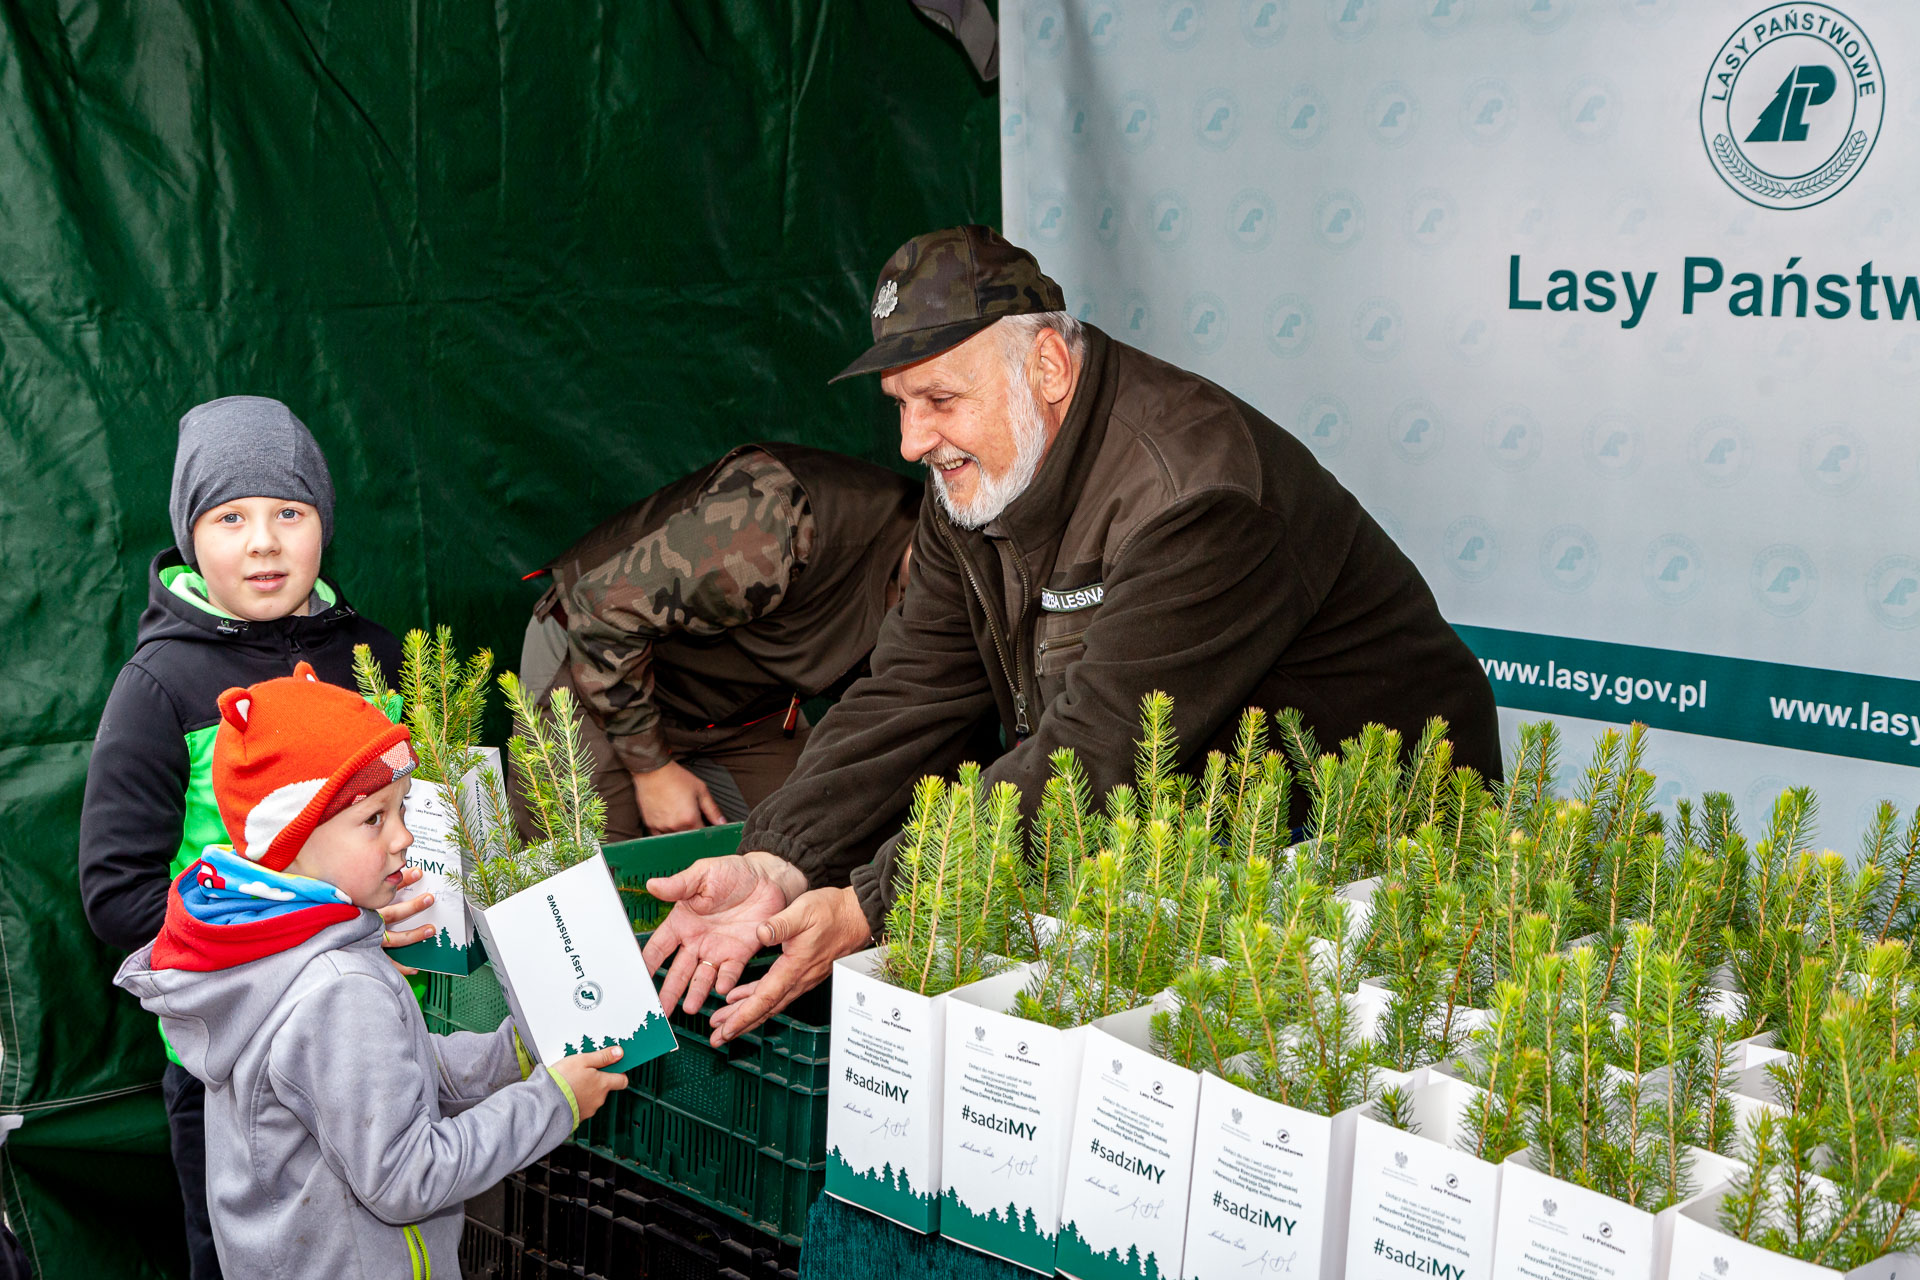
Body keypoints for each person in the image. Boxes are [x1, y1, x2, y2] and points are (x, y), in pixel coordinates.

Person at [640, 225, 1502, 1041]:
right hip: (1192, 836)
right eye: (899, 404)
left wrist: (875, 901)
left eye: (939, 398)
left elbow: (1097, 752)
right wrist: (782, 861)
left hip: (1377, 850)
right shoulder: (977, 477)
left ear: (1047, 366)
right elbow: (912, 691)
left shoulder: (1194, 496)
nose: (911, 441)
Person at [77, 395, 436, 1280]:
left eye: (289, 512)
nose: (264, 542)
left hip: (383, 1039)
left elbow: (423, 826)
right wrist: (307, 939)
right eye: (230, 517)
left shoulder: (378, 661)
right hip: (233, 1074)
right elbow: (117, 896)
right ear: (191, 535)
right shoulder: (160, 684)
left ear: (324, 524)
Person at [114, 665, 627, 1275]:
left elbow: (386, 1076)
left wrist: (509, 1056)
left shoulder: (266, 947)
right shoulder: (339, 987)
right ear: (293, 842)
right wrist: (552, 1103)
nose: (404, 837)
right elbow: (406, 1175)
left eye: (401, 808)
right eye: (373, 819)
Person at [520, 442, 920, 839]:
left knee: (814, 844)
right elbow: (604, 611)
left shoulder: (955, 598)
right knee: (580, 879)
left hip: (742, 711)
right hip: (600, 670)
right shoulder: (775, 522)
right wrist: (653, 769)